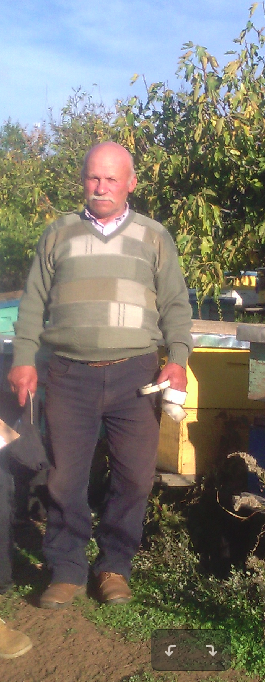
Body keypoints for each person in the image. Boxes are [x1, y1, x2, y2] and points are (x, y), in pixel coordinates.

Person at [6, 142, 193, 608]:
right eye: (93, 177)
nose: (101, 187)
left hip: (136, 376)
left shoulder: (154, 237)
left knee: (134, 478)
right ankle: (66, 568)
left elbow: (175, 306)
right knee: (63, 479)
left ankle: (113, 566)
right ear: (83, 180)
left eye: (112, 179)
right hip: (69, 375)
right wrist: (24, 358)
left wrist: (179, 358)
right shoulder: (58, 234)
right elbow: (31, 305)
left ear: (131, 182)